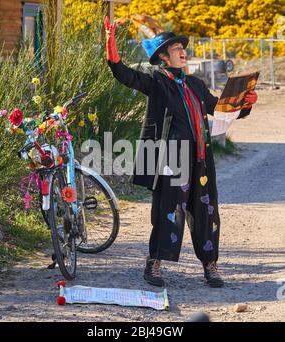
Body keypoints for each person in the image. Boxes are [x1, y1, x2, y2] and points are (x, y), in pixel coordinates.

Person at [104, 17, 257, 287]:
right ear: (163, 57)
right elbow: (123, 74)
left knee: (206, 211)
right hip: (172, 161)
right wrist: (110, 43)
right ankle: (154, 264)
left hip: (201, 160)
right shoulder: (156, 82)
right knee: (167, 210)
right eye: (175, 48)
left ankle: (210, 265)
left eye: (182, 47)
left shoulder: (195, 85)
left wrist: (244, 103)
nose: (182, 51)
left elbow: (219, 108)